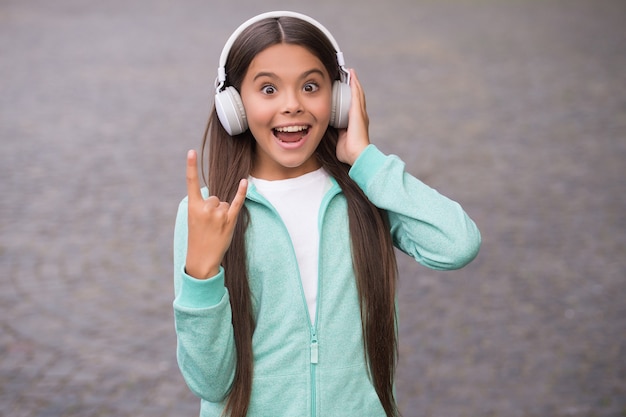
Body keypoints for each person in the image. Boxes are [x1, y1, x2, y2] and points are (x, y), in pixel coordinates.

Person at [173, 11, 481, 417]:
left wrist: (366, 161)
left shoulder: (367, 191)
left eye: (311, 86)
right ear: (234, 104)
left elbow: (457, 244)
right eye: (268, 89)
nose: (292, 106)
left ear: (339, 99)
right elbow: (210, 382)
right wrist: (201, 274)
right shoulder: (207, 215)